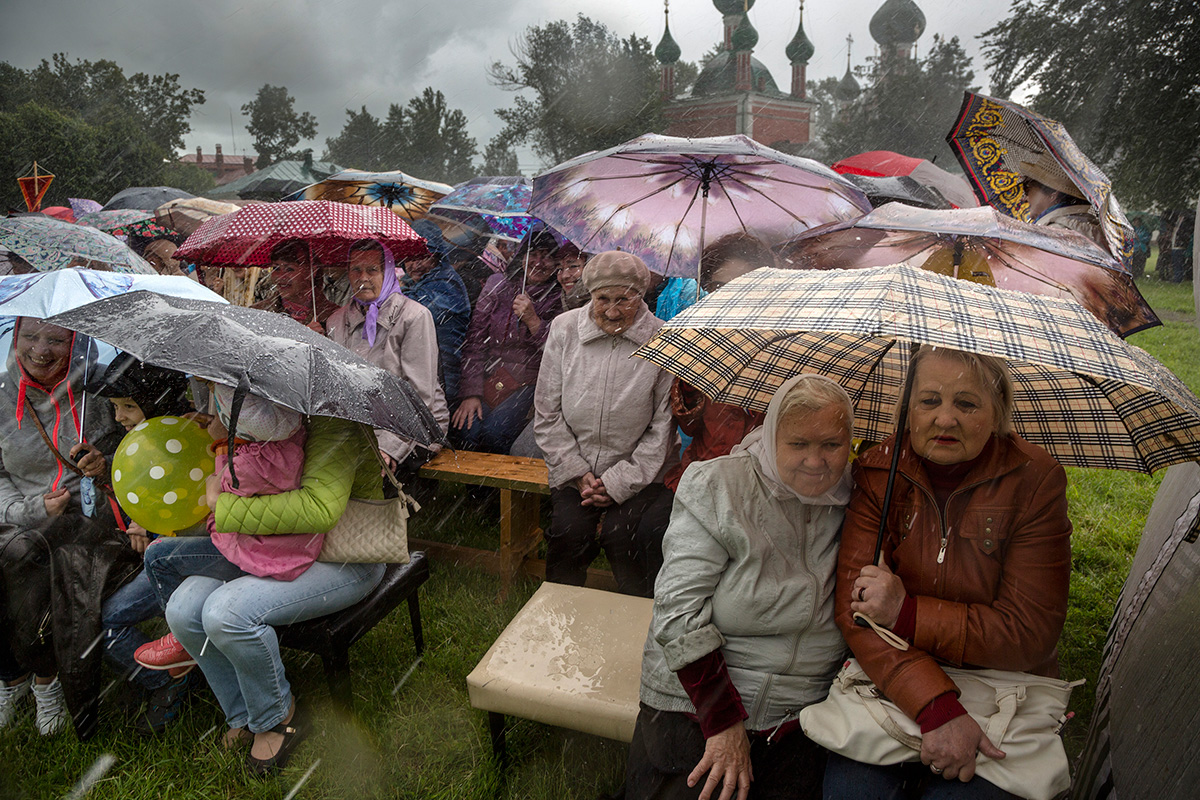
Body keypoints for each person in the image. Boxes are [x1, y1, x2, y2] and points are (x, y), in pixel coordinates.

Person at [824, 346, 1072, 797]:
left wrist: (905, 613)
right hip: (892, 682)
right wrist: (935, 706)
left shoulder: (1036, 481)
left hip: (1000, 691)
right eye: (929, 400)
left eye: (967, 403)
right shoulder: (879, 470)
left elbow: (1029, 633)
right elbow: (855, 613)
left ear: (997, 413)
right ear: (907, 409)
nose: (944, 419)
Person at [626, 374, 854, 800]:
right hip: (699, 699)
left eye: (831, 445)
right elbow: (678, 612)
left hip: (800, 712)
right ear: (770, 437)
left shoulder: (856, 501)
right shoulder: (718, 486)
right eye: (798, 444)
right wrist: (723, 721)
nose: (816, 461)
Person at [140, 415, 386, 775]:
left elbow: (318, 511)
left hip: (346, 556)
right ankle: (243, 711)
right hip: (269, 548)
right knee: (182, 609)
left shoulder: (335, 422)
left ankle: (277, 716)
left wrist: (219, 502)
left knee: (226, 613)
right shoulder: (260, 418)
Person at [0, 318, 128, 736]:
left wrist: (103, 463)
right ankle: (11, 675)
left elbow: (133, 449)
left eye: (56, 339)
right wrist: (27, 509)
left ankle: (45, 677)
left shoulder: (99, 389)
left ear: (75, 342)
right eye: (29, 337)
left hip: (90, 522)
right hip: (21, 512)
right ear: (14, 339)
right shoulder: (1, 393)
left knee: (24, 554)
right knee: (17, 545)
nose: (40, 349)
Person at [135, 385, 309, 673]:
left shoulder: (247, 465)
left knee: (157, 556)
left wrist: (219, 449)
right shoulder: (283, 446)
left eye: (222, 411)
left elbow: (217, 509)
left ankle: (185, 641)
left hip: (257, 555)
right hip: (274, 547)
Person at [534, 251, 677, 597]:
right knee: (568, 534)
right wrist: (576, 470)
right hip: (575, 474)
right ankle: (559, 615)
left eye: (624, 300)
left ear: (641, 297)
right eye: (603, 300)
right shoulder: (565, 329)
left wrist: (616, 483)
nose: (612, 311)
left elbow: (662, 429)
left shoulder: (663, 339)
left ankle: (635, 622)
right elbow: (546, 411)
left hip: (636, 476)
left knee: (622, 536)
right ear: (590, 295)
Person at [90, 355, 200, 735]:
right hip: (161, 558)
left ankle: (172, 676)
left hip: (195, 559)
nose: (119, 417)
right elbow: (142, 490)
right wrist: (105, 471)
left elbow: (193, 500)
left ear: (156, 402)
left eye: (128, 406)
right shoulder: (141, 440)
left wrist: (150, 519)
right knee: (104, 619)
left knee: (110, 621)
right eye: (115, 407)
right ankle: (170, 674)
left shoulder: (189, 435)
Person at [326, 239, 448, 478]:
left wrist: (388, 447)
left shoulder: (414, 316)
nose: (363, 277)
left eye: (372, 270)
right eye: (356, 270)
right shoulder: (336, 321)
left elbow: (419, 395)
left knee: (372, 474)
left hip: (416, 425)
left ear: (389, 272)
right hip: (363, 424)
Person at [664, 234, 775, 492]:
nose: (731, 296)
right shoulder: (701, 339)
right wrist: (691, 385)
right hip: (700, 475)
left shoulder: (784, 345)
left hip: (760, 486)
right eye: (719, 287)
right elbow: (689, 428)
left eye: (745, 286)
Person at [453, 230, 563, 454]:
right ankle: (475, 488)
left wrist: (533, 320)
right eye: (533, 253)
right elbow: (475, 340)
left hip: (531, 383)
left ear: (556, 263)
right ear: (521, 256)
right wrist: (471, 393)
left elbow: (556, 350)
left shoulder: (559, 296)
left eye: (547, 256)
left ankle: (503, 487)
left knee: (496, 432)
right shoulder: (497, 285)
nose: (538, 262)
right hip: (493, 375)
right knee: (467, 429)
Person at [403, 221, 471, 408]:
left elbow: (412, 313)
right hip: (426, 374)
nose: (415, 264)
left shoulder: (446, 284)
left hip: (444, 381)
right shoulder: (415, 284)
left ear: (437, 257)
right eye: (409, 258)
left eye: (423, 257)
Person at [256, 240, 341, 333]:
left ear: (312, 271)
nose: (281, 277)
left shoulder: (336, 316)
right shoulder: (258, 312)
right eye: (276, 268)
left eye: (289, 269)